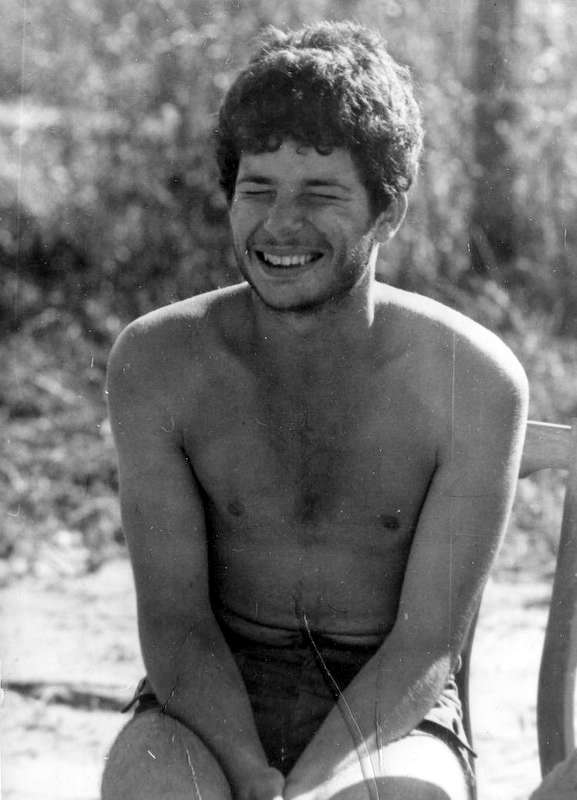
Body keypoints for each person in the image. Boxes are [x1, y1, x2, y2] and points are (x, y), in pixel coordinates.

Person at [101, 20, 528, 800]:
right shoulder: (158, 361)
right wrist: (251, 774)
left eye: (321, 194)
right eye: (257, 190)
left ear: (387, 213)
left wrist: (308, 787)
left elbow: (425, 646)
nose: (281, 224)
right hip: (204, 705)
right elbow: (176, 627)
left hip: (392, 714)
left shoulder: (470, 380)